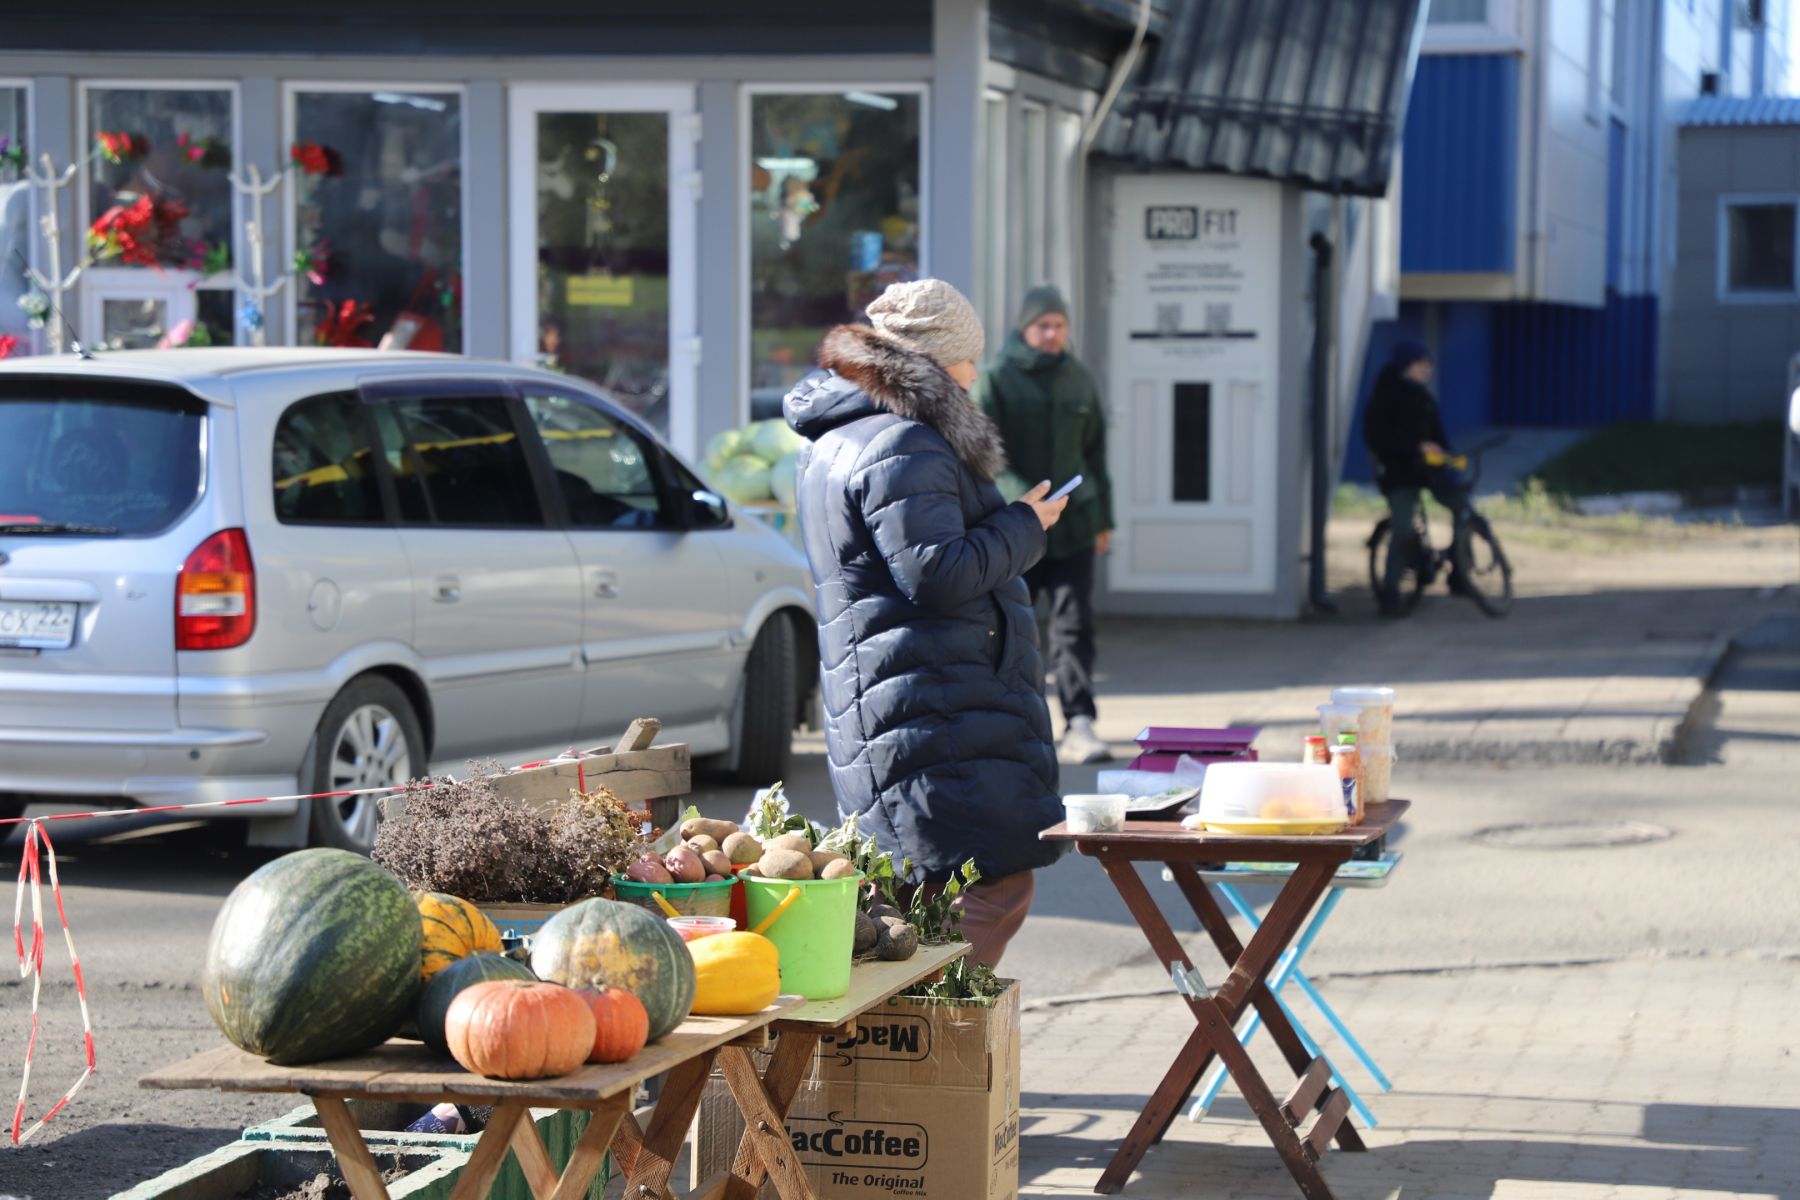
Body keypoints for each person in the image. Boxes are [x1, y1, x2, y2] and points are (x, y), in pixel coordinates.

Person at [784, 278, 1069, 968]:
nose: (975, 374)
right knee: (980, 892)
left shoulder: (847, 434)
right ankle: (924, 1051)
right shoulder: (904, 441)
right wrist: (1025, 525)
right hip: (931, 708)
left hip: (912, 705)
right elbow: (936, 574)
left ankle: (912, 1055)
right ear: (935, 363)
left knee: (929, 892)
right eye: (966, 360)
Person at [974, 286, 1115, 764]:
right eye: (1043, 325)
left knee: (1075, 627)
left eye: (1060, 325)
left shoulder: (1078, 379)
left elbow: (1095, 452)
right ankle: (1014, 723)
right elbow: (984, 454)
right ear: (1024, 329)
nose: (1053, 334)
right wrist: (1026, 502)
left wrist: (1104, 517)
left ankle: (1080, 723)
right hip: (1019, 525)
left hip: (1075, 526)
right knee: (1016, 625)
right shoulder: (996, 378)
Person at [1362, 340, 1470, 615]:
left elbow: (1439, 435)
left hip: (1429, 471)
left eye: (1429, 365)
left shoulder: (1424, 399)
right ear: (1405, 366)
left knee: (1464, 509)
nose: (1427, 370)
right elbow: (1379, 440)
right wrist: (1416, 447)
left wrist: (1448, 455)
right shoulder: (1383, 399)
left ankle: (1460, 573)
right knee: (1404, 529)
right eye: (1421, 364)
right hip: (1399, 473)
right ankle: (1390, 592)